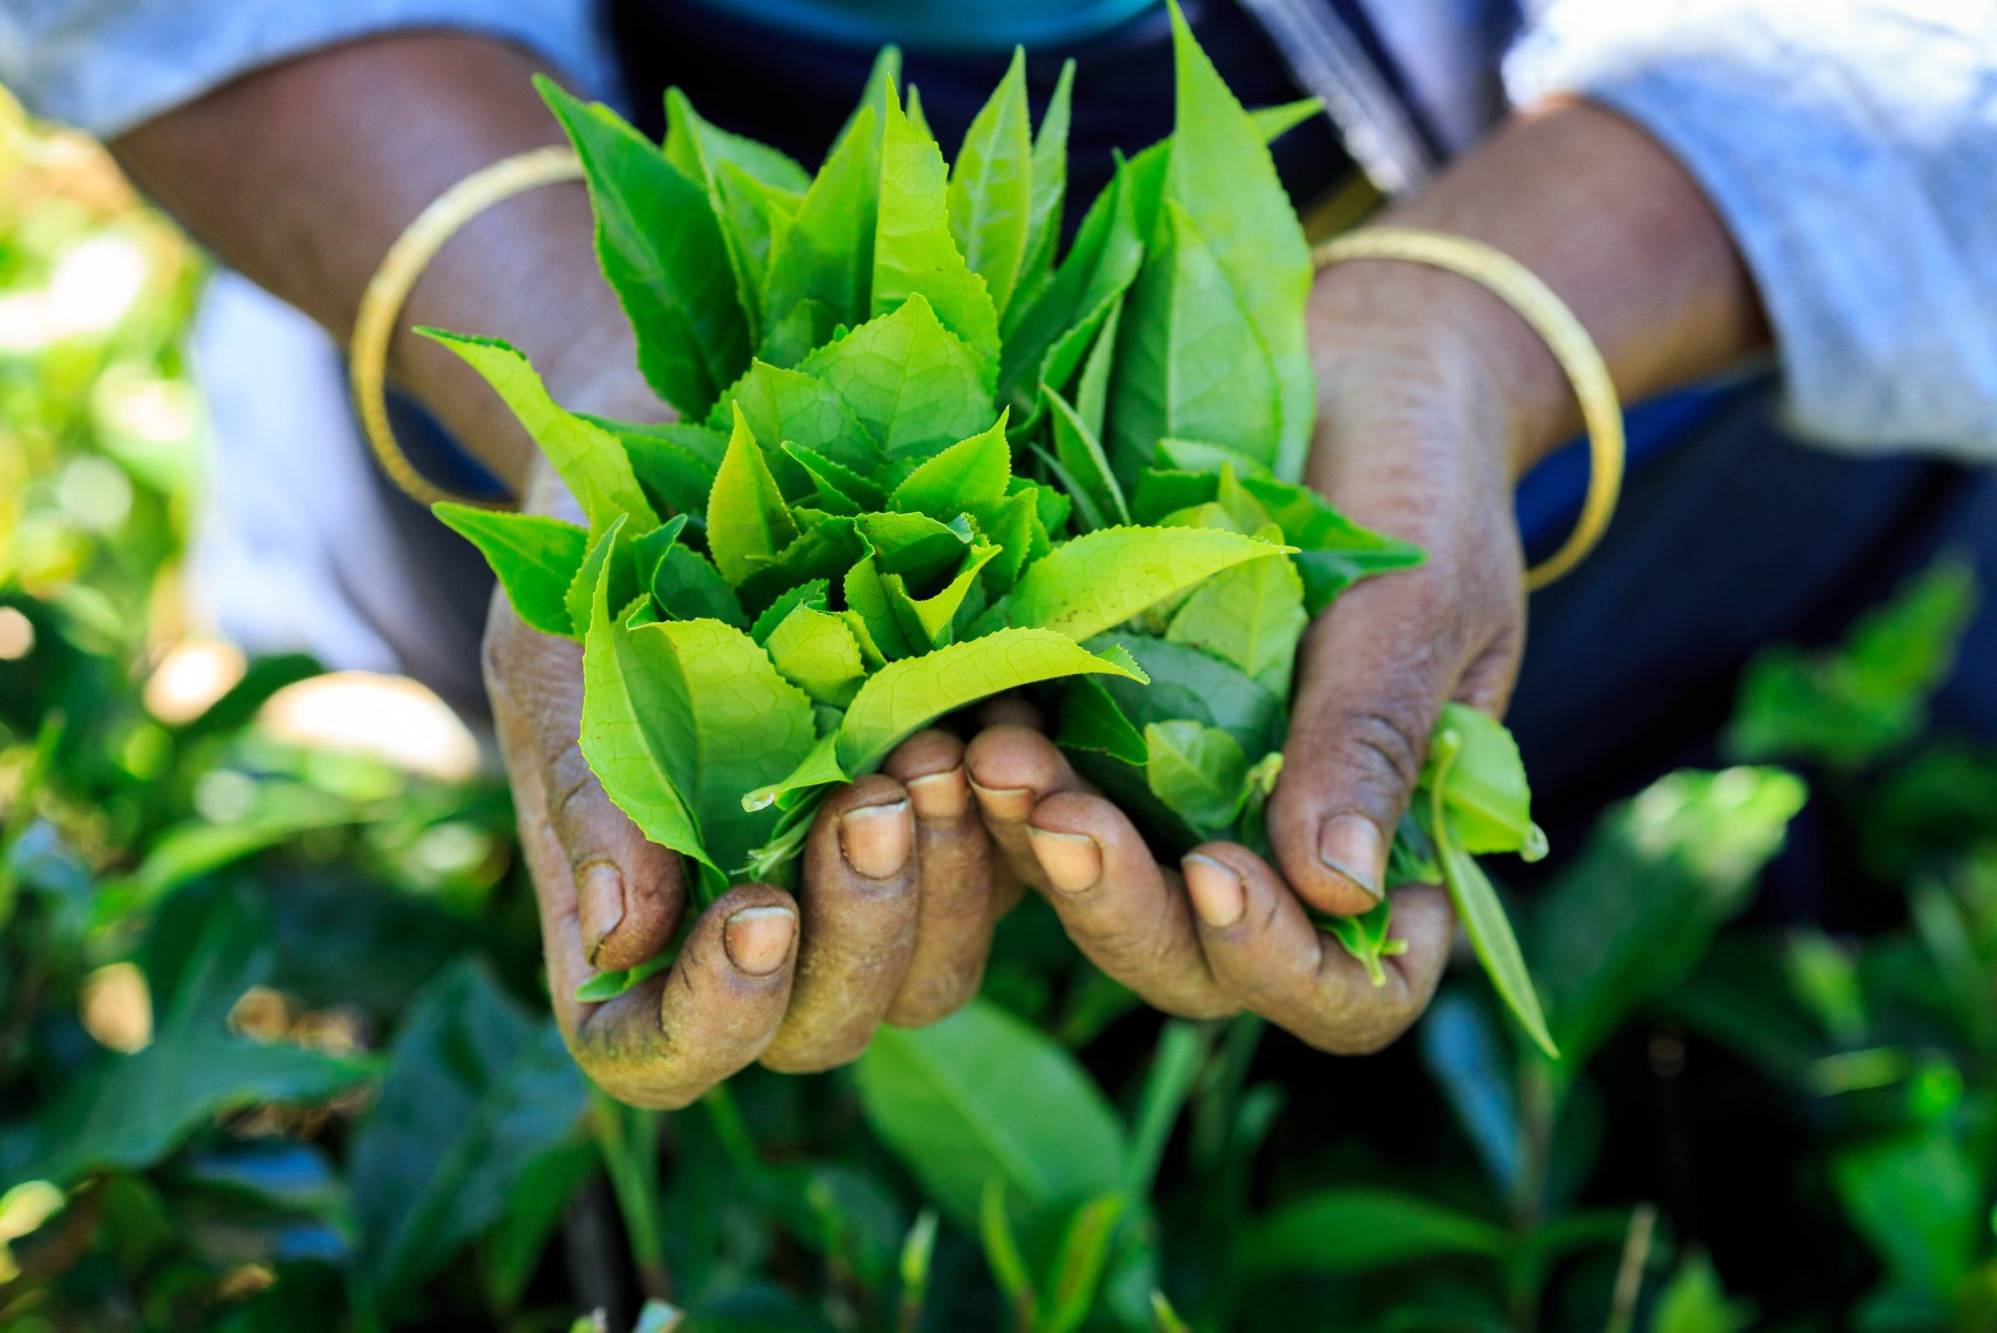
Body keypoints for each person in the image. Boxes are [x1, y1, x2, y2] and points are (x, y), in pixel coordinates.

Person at [7, 2, 1994, 1108]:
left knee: (1736, 1033)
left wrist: (1471, 320)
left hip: (1667, 308)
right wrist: (589, 391)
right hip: (489, 186)